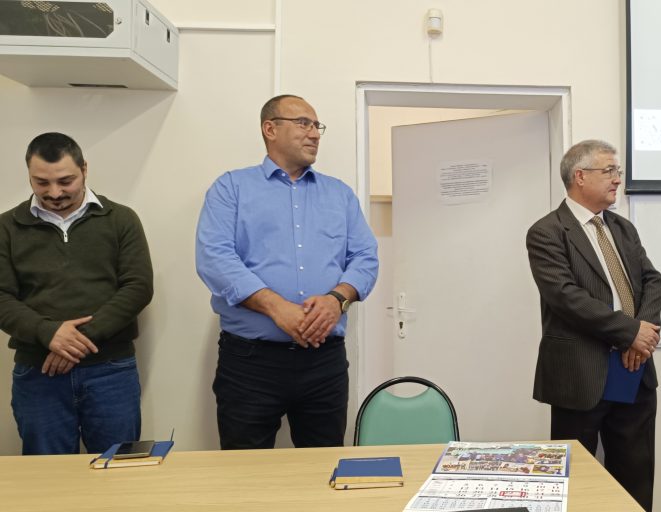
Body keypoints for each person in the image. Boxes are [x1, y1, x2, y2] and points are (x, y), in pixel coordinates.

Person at [196, 94, 378, 449]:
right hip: (250, 362)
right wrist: (278, 308)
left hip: (324, 362)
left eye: (317, 125)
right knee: (244, 469)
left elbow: (365, 256)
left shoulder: (340, 195)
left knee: (323, 466)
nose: (314, 133)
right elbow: (214, 258)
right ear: (270, 129)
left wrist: (336, 300)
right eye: (303, 123)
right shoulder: (231, 188)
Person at [525, 139, 661, 511]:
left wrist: (643, 333)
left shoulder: (623, 228)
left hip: (635, 370)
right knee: (575, 485)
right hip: (580, 375)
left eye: (618, 171)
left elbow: (652, 281)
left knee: (635, 476)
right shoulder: (547, 232)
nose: (618, 179)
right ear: (580, 176)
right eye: (609, 171)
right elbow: (565, 296)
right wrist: (629, 332)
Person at [0, 132, 154, 455]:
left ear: (84, 169)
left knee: (119, 469)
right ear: (28, 175)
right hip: (39, 373)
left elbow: (138, 287)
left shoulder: (121, 219)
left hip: (111, 370)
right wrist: (49, 333)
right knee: (47, 475)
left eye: (65, 181)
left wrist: (74, 341)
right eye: (41, 182)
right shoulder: (6, 227)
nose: (54, 192)